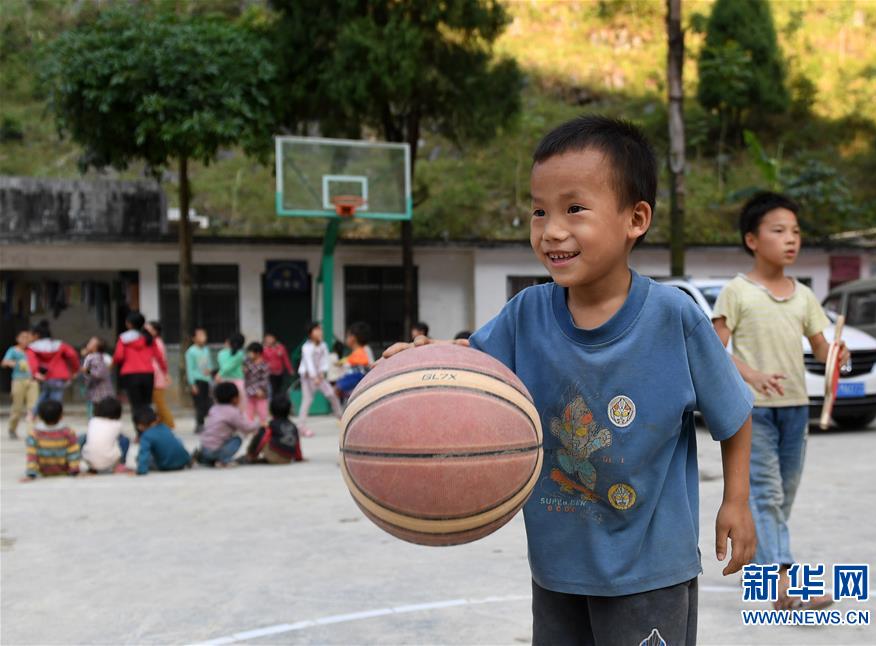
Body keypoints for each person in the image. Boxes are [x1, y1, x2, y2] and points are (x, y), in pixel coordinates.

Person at [382, 115, 756, 645]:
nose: (551, 229)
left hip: (649, 574)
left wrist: (735, 500)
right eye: (539, 211)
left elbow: (734, 416)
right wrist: (423, 361)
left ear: (636, 218)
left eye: (574, 209)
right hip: (557, 568)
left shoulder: (674, 318)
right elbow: (471, 373)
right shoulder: (526, 314)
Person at [711, 191, 848, 611]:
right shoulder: (736, 291)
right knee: (767, 495)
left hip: (795, 409)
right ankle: (783, 586)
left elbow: (823, 349)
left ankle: (761, 564)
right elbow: (715, 351)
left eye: (795, 232)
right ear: (753, 240)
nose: (791, 239)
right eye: (779, 231)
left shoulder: (804, 295)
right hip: (753, 413)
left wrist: (836, 356)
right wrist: (750, 374)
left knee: (782, 495)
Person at [113, 311, 166, 429]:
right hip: (148, 374)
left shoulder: (124, 338)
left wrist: (113, 364)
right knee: (147, 404)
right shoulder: (149, 338)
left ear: (128, 324)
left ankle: (139, 431)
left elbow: (119, 356)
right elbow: (159, 357)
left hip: (131, 374)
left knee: (136, 405)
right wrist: (164, 371)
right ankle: (150, 428)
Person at [297, 321, 343, 438]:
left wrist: (322, 373)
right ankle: (301, 427)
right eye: (316, 329)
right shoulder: (306, 347)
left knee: (331, 394)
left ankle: (342, 418)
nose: (319, 331)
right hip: (308, 378)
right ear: (310, 333)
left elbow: (324, 361)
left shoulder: (323, 345)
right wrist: (314, 377)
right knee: (307, 400)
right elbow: (308, 363)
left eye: (320, 329)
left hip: (320, 377)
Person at [196, 382, 257, 467]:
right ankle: (223, 460)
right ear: (235, 399)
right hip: (216, 451)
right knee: (238, 438)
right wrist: (258, 424)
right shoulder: (233, 412)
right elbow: (246, 427)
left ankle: (205, 459)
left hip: (204, 448)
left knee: (217, 439)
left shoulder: (213, 409)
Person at [26, 319, 80, 407]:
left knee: (45, 395)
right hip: (59, 375)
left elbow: (32, 361)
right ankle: (52, 416)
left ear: (36, 335)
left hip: (44, 376)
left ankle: (34, 414)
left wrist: (36, 372)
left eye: (30, 335)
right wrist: (75, 370)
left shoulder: (32, 348)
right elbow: (72, 355)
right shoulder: (60, 344)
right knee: (56, 398)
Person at [23, 399, 80, 480]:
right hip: (64, 470)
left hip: (43, 471)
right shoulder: (68, 432)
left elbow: (32, 455)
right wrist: (74, 470)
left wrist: (31, 474)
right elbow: (73, 453)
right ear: (61, 416)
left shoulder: (34, 434)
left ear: (40, 416)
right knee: (80, 439)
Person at [241, 395, 304, 464]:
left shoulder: (270, 425)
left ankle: (250, 455)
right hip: (288, 458)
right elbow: (297, 444)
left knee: (263, 432)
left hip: (274, 456)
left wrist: (253, 454)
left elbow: (262, 439)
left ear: (271, 410)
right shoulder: (293, 426)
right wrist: (299, 457)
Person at [133, 406, 192, 476]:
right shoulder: (164, 427)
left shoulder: (146, 436)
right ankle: (188, 459)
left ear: (140, 425)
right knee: (178, 441)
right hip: (182, 462)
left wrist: (141, 470)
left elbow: (144, 453)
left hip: (166, 465)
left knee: (138, 458)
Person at [3, 328, 37, 439]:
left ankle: (31, 432)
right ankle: (12, 428)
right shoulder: (13, 350)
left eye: (27, 337)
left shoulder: (33, 350)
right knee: (17, 408)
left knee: (33, 407)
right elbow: (4, 362)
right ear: (17, 339)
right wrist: (11, 363)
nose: (25, 340)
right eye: (23, 337)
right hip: (18, 380)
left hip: (32, 380)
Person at [80, 396, 129, 473]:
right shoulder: (117, 424)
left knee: (83, 437)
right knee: (124, 440)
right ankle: (120, 465)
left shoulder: (93, 421)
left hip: (89, 460)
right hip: (110, 461)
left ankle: (88, 465)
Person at [334, 321, 374, 402]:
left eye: (347, 336)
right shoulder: (358, 351)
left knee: (338, 388)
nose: (346, 338)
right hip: (358, 381)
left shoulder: (364, 350)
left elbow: (363, 362)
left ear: (353, 338)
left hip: (359, 379)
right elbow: (349, 359)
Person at [145, 321, 175, 429]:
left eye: (148, 329)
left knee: (160, 404)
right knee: (158, 404)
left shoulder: (156, 342)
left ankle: (170, 424)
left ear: (155, 331)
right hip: (158, 377)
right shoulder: (156, 342)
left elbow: (160, 361)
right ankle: (162, 425)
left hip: (157, 378)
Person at [185, 327, 214, 434]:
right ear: (194, 338)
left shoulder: (206, 349)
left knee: (208, 403)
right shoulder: (191, 352)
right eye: (200, 335)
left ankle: (208, 424)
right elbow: (190, 368)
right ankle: (199, 424)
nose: (203, 337)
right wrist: (192, 384)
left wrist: (210, 371)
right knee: (199, 404)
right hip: (197, 380)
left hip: (206, 380)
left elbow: (210, 363)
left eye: (204, 334)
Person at [81, 336, 114, 418]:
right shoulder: (94, 356)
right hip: (96, 391)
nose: (87, 344)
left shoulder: (95, 357)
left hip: (100, 392)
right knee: (97, 411)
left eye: (90, 343)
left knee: (100, 412)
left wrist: (87, 371)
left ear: (95, 347)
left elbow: (99, 373)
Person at [216, 332, 246, 409]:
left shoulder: (221, 353)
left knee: (224, 407)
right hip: (238, 382)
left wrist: (219, 374)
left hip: (224, 382)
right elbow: (228, 367)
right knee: (240, 408)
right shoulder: (240, 354)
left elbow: (225, 367)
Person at [243, 342, 270, 425]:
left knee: (262, 412)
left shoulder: (264, 365)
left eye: (250, 352)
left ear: (258, 353)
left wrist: (260, 389)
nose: (249, 354)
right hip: (248, 391)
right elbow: (244, 376)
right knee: (248, 412)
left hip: (261, 393)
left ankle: (263, 428)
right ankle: (249, 428)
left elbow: (264, 380)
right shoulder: (246, 362)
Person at [262, 332, 294, 397]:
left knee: (279, 389)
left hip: (280, 372)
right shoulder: (264, 349)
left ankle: (278, 402)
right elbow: (262, 361)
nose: (269, 340)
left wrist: (290, 369)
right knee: (272, 389)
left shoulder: (280, 347)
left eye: (270, 338)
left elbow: (286, 359)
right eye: (267, 339)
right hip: (269, 373)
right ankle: (273, 404)